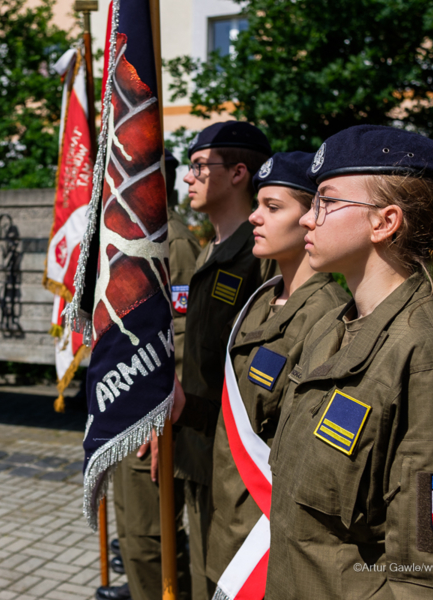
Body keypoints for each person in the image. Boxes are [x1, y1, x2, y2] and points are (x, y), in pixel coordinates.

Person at [264, 125, 433, 598]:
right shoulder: (333, 329)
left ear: (385, 222)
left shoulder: (431, 360)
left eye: (326, 200)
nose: (307, 218)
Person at [204, 152, 350, 598]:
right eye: (258, 205)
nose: (254, 217)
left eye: (273, 207)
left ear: (310, 218)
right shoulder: (263, 300)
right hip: (229, 519)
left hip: (266, 539)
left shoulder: (327, 315)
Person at [144, 121, 277, 600]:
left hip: (239, 463)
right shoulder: (207, 255)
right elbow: (190, 357)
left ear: (240, 172)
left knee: (229, 583)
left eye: (201, 165)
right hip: (201, 448)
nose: (187, 177)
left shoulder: (262, 259)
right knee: (203, 580)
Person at [99, 151, 200, 600]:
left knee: (149, 539)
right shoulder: (135, 238)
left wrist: (161, 413)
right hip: (128, 411)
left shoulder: (172, 243)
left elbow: (181, 337)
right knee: (132, 530)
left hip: (151, 420)